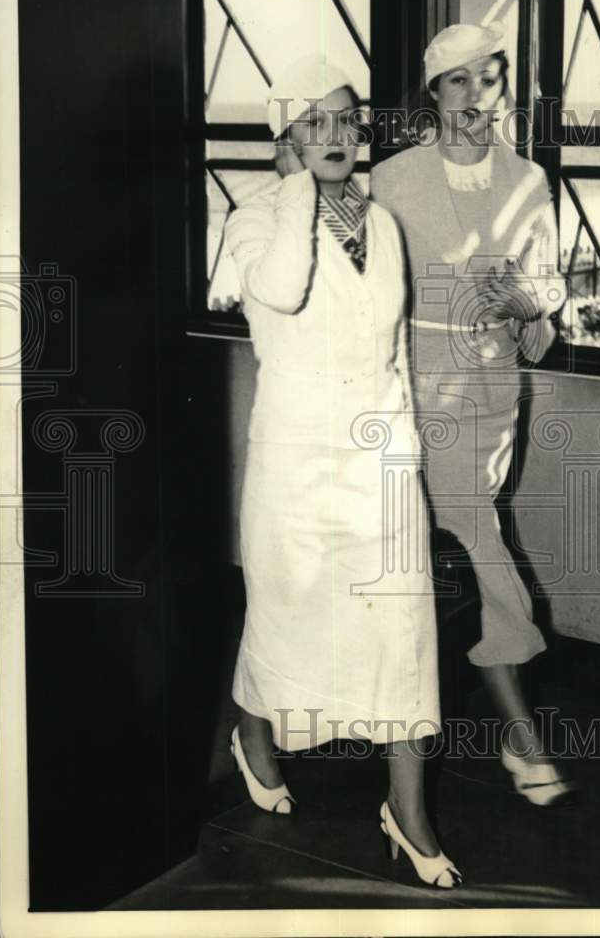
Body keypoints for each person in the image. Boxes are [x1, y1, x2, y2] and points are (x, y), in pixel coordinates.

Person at [224, 55, 461, 887]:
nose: (336, 137)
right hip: (293, 464)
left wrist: (408, 463)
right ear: (283, 137)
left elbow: (392, 349)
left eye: (346, 119)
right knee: (288, 622)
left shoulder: (382, 223)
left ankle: (408, 812)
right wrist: (295, 190)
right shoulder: (255, 220)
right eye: (314, 122)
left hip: (380, 458)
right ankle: (254, 730)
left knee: (404, 635)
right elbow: (283, 291)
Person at [371, 22, 576, 806]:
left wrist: (526, 301)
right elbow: (363, 286)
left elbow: (547, 292)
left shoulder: (528, 182)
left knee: (463, 529)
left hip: (489, 389)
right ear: (432, 95)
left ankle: (476, 724)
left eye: (484, 80)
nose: (471, 97)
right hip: (405, 384)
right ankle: (514, 728)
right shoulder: (390, 180)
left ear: (502, 88)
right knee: (455, 535)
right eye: (454, 82)